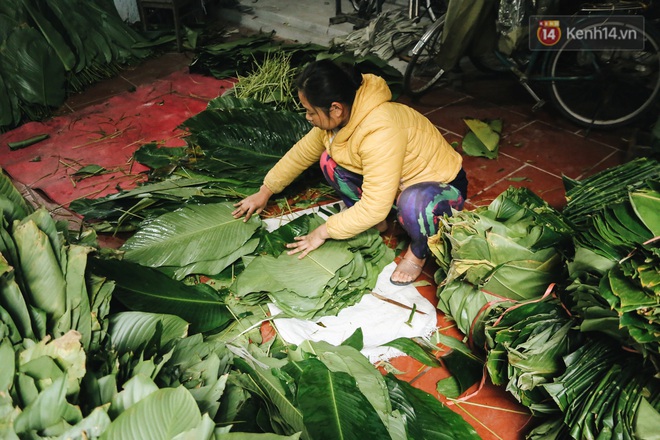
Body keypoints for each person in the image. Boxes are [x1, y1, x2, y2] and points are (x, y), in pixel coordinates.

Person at [232, 60, 468, 286]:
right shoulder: (341, 117)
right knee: (328, 160)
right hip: (396, 186)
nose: (307, 117)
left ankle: (418, 251)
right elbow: (302, 153)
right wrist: (265, 190)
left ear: (335, 108)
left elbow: (375, 205)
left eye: (310, 112)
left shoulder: (380, 128)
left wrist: (323, 232)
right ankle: (383, 224)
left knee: (413, 202)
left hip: (440, 189)